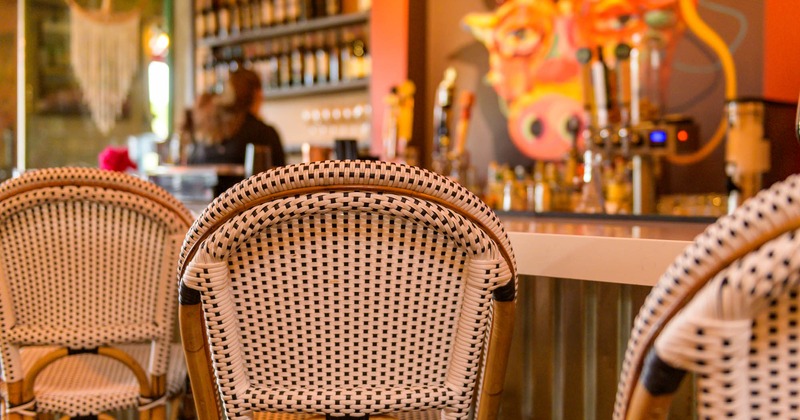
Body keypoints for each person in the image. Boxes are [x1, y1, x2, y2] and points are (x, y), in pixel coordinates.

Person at [188, 68, 286, 194]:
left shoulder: (208, 130)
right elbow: (282, 181)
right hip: (247, 209)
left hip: (204, 209)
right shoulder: (264, 133)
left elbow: (191, 165)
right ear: (257, 94)